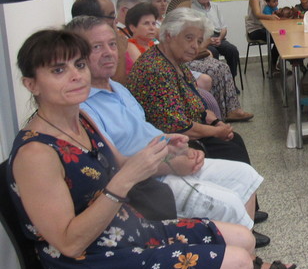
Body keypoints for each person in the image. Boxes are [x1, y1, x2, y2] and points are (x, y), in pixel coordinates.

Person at [9, 29, 293, 269]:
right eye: (59, 70)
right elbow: (71, 242)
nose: (75, 76)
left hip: (130, 234)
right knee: (241, 263)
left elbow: (118, 164)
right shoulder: (36, 154)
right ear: (31, 84)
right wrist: (125, 180)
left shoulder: (79, 121)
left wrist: (165, 152)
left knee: (244, 238)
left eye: (78, 65)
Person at [68, 16, 265, 245]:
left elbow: (150, 128)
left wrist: (177, 146)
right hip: (147, 181)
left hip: (166, 155)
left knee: (245, 174)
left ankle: (244, 239)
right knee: (228, 198)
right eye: (97, 47)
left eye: (112, 45)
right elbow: (112, 163)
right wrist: (173, 160)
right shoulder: (84, 108)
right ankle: (241, 253)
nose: (109, 53)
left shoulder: (118, 88)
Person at [127, 8, 254, 167]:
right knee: (232, 153)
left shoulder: (176, 61)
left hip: (187, 131)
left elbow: (196, 104)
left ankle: (247, 190)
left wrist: (216, 123)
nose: (195, 46)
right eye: (189, 38)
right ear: (169, 36)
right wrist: (215, 132)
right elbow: (177, 127)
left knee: (235, 141)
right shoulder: (156, 70)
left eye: (199, 41)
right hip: (170, 144)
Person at [190, 37, 254, 122]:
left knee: (225, 63)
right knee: (213, 69)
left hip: (199, 53)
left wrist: (218, 39)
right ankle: (216, 113)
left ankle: (233, 109)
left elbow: (223, 29)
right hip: (187, 60)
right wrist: (207, 43)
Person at [193, 0, 240, 78]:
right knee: (213, 52)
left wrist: (220, 38)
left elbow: (224, 27)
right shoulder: (191, 8)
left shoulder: (215, 7)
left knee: (232, 50)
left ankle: (231, 80)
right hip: (203, 40)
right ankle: (216, 81)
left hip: (218, 37)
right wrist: (207, 40)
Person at [125, 2, 159, 74]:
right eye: (146, 23)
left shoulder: (154, 43)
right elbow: (147, 72)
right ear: (132, 28)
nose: (152, 28)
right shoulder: (130, 46)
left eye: (154, 23)